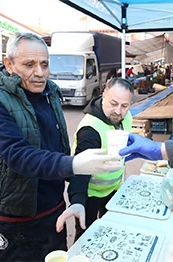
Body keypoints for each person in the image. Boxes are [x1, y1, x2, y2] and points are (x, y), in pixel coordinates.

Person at [0, 32, 123, 261]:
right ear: (9, 64)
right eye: (29, 64)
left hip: (54, 209)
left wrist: (76, 198)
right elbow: (18, 155)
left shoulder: (50, 92)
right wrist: (73, 163)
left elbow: (58, 148)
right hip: (17, 216)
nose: (39, 73)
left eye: (44, 64)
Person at [56, 77, 135, 240]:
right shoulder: (91, 129)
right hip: (90, 194)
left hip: (113, 190)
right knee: (86, 237)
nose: (118, 111)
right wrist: (77, 199)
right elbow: (81, 168)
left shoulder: (127, 118)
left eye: (124, 106)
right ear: (103, 95)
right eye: (113, 103)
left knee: (110, 233)